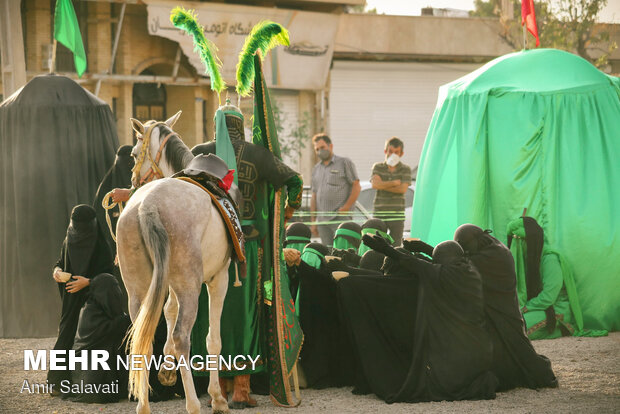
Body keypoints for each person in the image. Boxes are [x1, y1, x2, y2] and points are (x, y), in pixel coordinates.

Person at [191, 100, 303, 408]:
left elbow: (177, 189)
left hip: (209, 246)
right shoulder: (259, 155)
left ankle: (222, 388)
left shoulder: (201, 153)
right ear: (241, 125)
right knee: (245, 315)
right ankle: (241, 390)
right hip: (248, 249)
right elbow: (295, 181)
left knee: (215, 314)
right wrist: (288, 211)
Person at [338, 234, 498, 403]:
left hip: (458, 355)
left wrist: (385, 249)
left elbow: (415, 264)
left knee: (435, 380)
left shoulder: (443, 274)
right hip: (480, 352)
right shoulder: (470, 272)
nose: (433, 265)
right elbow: (425, 263)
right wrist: (422, 248)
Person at [452, 224, 558, 391]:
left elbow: (455, 266)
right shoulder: (492, 248)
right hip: (495, 311)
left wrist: (426, 252)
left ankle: (538, 374)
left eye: (463, 246)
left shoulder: (491, 256)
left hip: (504, 313)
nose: (464, 251)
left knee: (519, 350)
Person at [48, 204, 114, 393]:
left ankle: (88, 382)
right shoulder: (70, 238)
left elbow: (109, 277)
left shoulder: (100, 245)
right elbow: (60, 262)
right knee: (66, 335)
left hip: (94, 302)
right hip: (71, 298)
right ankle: (57, 382)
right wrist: (57, 271)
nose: (79, 231)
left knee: (91, 343)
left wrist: (88, 283)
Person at [506, 217, 605, 340]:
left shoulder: (549, 259)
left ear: (531, 242)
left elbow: (549, 297)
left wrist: (525, 308)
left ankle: (560, 329)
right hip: (535, 308)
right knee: (506, 323)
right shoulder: (525, 262)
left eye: (520, 242)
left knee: (516, 328)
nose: (516, 248)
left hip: (555, 310)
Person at [66, 273, 131, 403]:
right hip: (89, 376)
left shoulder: (94, 308)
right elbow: (115, 327)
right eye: (113, 289)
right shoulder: (90, 312)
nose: (116, 293)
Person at [310, 133, 360, 246]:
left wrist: (346, 207)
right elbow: (314, 196)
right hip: (322, 221)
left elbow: (356, 186)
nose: (320, 151)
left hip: (339, 217)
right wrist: (313, 221)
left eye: (322, 147)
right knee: (328, 255)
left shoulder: (344, 163)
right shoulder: (316, 169)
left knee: (343, 251)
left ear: (330, 146)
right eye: (317, 149)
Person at [370, 137, 412, 246]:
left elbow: (402, 189)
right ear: (385, 151)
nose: (392, 154)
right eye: (390, 151)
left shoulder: (405, 169)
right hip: (379, 213)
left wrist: (382, 185)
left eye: (396, 152)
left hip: (397, 214)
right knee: (377, 245)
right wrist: (394, 183)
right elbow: (375, 184)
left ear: (401, 154)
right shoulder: (378, 167)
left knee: (395, 246)